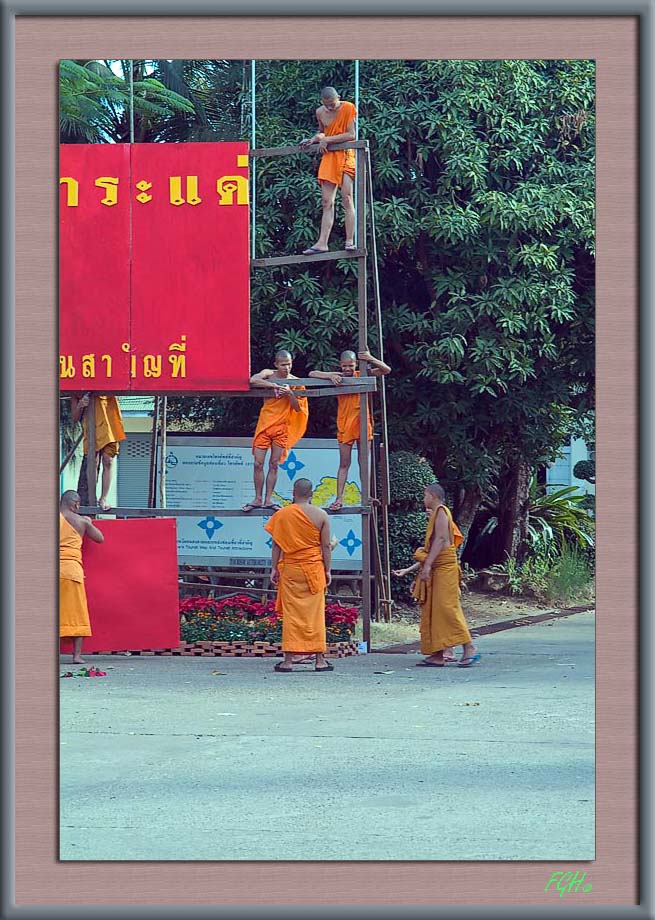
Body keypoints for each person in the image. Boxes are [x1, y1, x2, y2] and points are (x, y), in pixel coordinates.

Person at [393, 482, 480, 668]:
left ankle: (469, 646)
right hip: (437, 567)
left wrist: (427, 567)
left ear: (432, 496)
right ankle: (437, 653)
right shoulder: (436, 515)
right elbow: (432, 550)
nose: (423, 499)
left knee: (447, 608)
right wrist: (411, 569)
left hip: (444, 569)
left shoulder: (441, 511)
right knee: (434, 610)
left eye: (425, 495)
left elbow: (441, 541)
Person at [264, 478, 334, 673]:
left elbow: (277, 543)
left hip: (291, 569)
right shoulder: (321, 515)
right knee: (315, 615)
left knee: (292, 614)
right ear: (311, 494)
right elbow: (326, 546)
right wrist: (327, 569)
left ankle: (287, 661)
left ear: (293, 493)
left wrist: (274, 568)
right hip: (313, 568)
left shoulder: (282, 514)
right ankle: (320, 660)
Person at [309, 349, 391, 511]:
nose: (348, 369)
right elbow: (312, 373)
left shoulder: (362, 374)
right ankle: (339, 498)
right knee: (344, 463)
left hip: (362, 423)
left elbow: (385, 370)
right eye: (345, 366)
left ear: (355, 365)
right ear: (340, 365)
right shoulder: (338, 377)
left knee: (364, 462)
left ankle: (366, 495)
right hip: (345, 425)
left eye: (351, 366)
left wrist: (369, 358)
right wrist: (329, 376)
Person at [243, 351, 309, 512]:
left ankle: (268, 499)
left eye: (289, 364)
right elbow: (253, 380)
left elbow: (298, 408)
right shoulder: (268, 374)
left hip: (282, 427)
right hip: (265, 424)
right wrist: (274, 385)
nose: (286, 367)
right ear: (276, 365)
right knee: (258, 463)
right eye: (283, 364)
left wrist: (289, 393)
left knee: (274, 464)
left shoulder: (296, 382)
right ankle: (257, 498)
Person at [299, 86, 357, 255]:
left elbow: (351, 134)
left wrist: (328, 139)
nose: (330, 107)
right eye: (327, 105)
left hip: (346, 154)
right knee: (326, 201)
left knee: (346, 197)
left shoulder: (348, 107)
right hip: (329, 157)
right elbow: (323, 133)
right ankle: (322, 243)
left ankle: (349, 241)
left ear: (338, 97)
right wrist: (313, 140)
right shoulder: (320, 112)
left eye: (332, 104)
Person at [59, 490, 104, 664]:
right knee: (76, 613)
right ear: (76, 504)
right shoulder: (81, 521)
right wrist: (88, 522)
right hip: (71, 571)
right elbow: (100, 538)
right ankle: (76, 656)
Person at [71, 393, 126, 511]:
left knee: (108, 460)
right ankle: (92, 498)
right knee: (92, 462)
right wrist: (81, 405)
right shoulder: (77, 390)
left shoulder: (107, 383)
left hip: (109, 424)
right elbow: (75, 417)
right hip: (92, 426)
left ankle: (104, 498)